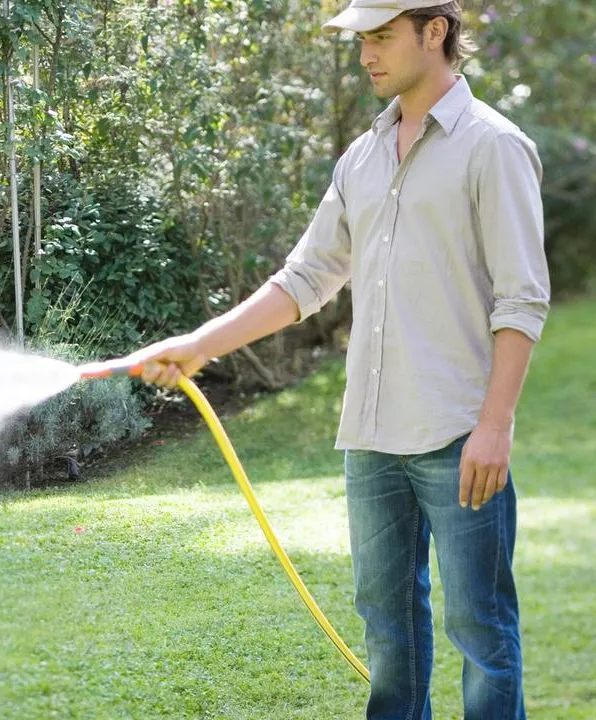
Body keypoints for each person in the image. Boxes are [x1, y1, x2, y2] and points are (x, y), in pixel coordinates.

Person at [124, 1, 550, 718]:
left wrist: (496, 426)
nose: (365, 56)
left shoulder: (493, 147)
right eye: (362, 40)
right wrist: (199, 346)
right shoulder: (362, 156)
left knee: (482, 631)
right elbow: (305, 280)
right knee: (389, 633)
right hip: (371, 440)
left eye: (381, 37)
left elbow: (522, 300)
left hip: (459, 434)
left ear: (434, 31)